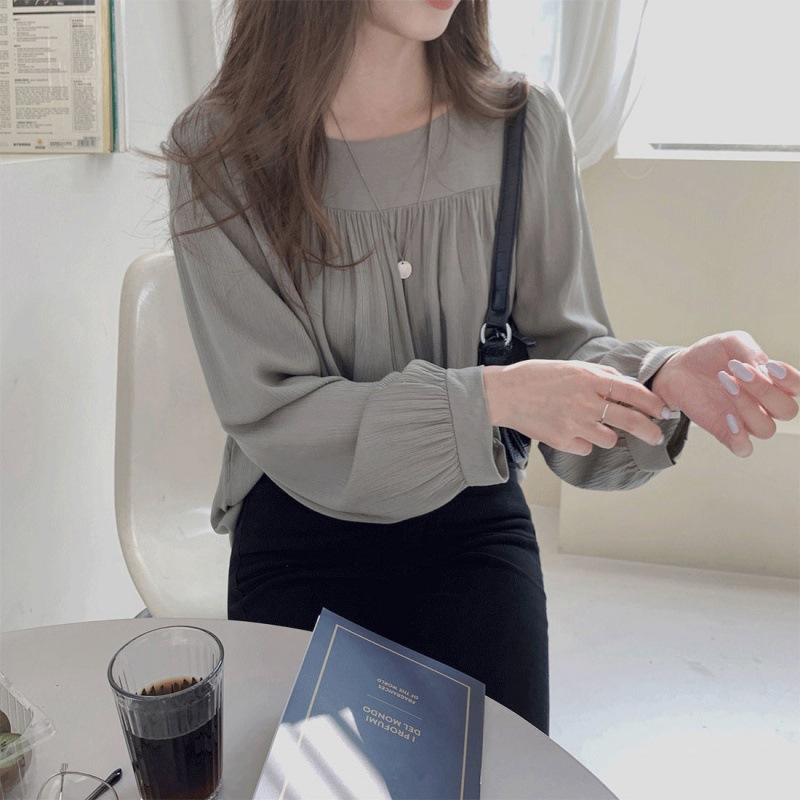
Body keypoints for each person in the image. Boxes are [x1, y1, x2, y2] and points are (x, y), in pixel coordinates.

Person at [160, 0, 798, 735]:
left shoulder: (522, 125)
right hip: (300, 525)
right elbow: (274, 411)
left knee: (501, 769)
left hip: (470, 522)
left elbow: (563, 348)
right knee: (320, 779)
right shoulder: (219, 153)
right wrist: (487, 399)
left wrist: (660, 375)